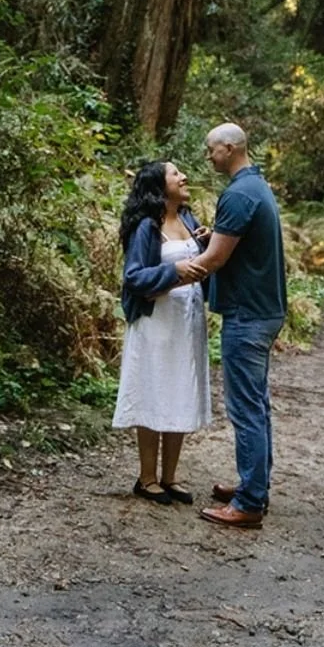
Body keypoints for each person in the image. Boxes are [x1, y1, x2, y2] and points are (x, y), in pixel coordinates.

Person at [174, 122, 287, 529]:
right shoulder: (255, 186)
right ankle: (254, 483)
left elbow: (216, 260)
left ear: (228, 147)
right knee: (257, 403)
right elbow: (232, 244)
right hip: (263, 309)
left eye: (211, 150)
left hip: (249, 314)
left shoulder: (239, 193)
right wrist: (212, 238)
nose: (208, 158)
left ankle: (250, 502)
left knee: (245, 408)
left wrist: (164, 276)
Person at [112, 159, 212, 505]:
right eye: (175, 173)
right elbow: (135, 277)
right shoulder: (146, 227)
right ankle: (147, 477)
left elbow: (205, 266)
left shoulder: (188, 219)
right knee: (154, 389)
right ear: (159, 185)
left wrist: (210, 242)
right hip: (157, 322)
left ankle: (171, 476)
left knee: (180, 390)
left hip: (187, 321)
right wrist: (175, 273)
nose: (184, 176)